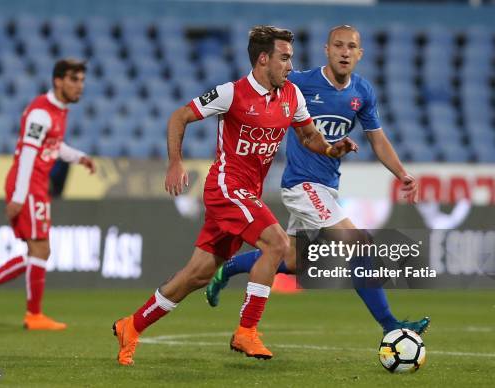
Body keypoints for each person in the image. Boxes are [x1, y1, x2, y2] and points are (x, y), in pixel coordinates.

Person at [112, 25, 358, 366]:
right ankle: (246, 331)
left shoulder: (292, 95)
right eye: (284, 58)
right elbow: (179, 116)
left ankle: (132, 326)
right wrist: (175, 163)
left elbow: (307, 135)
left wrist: (331, 150)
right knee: (277, 244)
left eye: (291, 58)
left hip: (247, 193)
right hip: (227, 188)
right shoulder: (231, 94)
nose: (291, 66)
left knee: (196, 275)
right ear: (262, 59)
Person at [205, 25, 430, 335]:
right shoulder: (301, 83)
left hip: (327, 188)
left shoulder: (361, 92)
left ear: (360, 54)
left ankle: (226, 269)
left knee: (294, 260)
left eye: (351, 46)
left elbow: (378, 140)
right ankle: (391, 327)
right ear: (327, 49)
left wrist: (402, 174)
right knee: (360, 245)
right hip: (301, 184)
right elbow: (261, 85)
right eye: (338, 45)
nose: (344, 51)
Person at [0, 58, 96, 330]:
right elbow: (27, 153)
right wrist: (19, 197)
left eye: (82, 80)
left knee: (38, 252)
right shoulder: (40, 113)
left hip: (35, 185)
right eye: (74, 79)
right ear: (58, 81)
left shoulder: (59, 111)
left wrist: (79, 157)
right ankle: (32, 314)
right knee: (41, 249)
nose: (80, 86)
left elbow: (54, 146)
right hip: (27, 184)